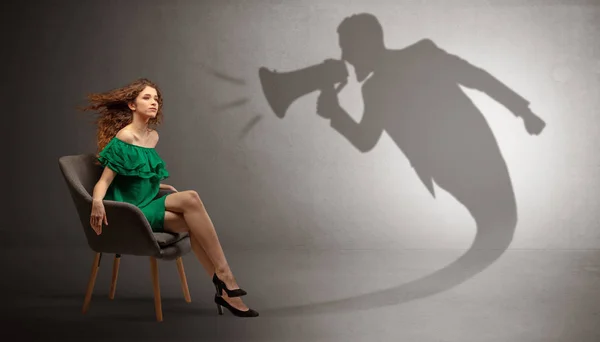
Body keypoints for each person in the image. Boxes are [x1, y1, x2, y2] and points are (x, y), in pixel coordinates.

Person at [83, 78, 258, 318]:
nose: (154, 102)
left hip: (149, 202)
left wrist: (161, 184)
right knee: (192, 199)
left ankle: (225, 290)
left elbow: (139, 174)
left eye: (156, 98)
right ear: (132, 105)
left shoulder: (152, 137)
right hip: (131, 212)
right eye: (147, 98)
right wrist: (96, 203)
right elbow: (103, 182)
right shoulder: (125, 138)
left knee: (192, 217)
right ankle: (226, 277)